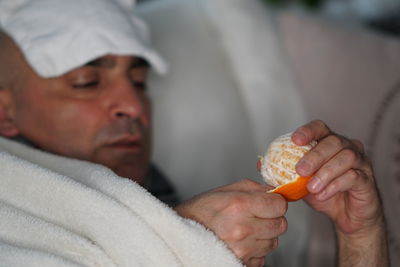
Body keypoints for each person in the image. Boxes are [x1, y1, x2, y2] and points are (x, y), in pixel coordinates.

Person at [0, 0, 388, 266]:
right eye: (87, 82)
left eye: (139, 81)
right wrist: (177, 241)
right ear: (4, 113)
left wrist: (360, 234)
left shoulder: (169, 198)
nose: (133, 106)